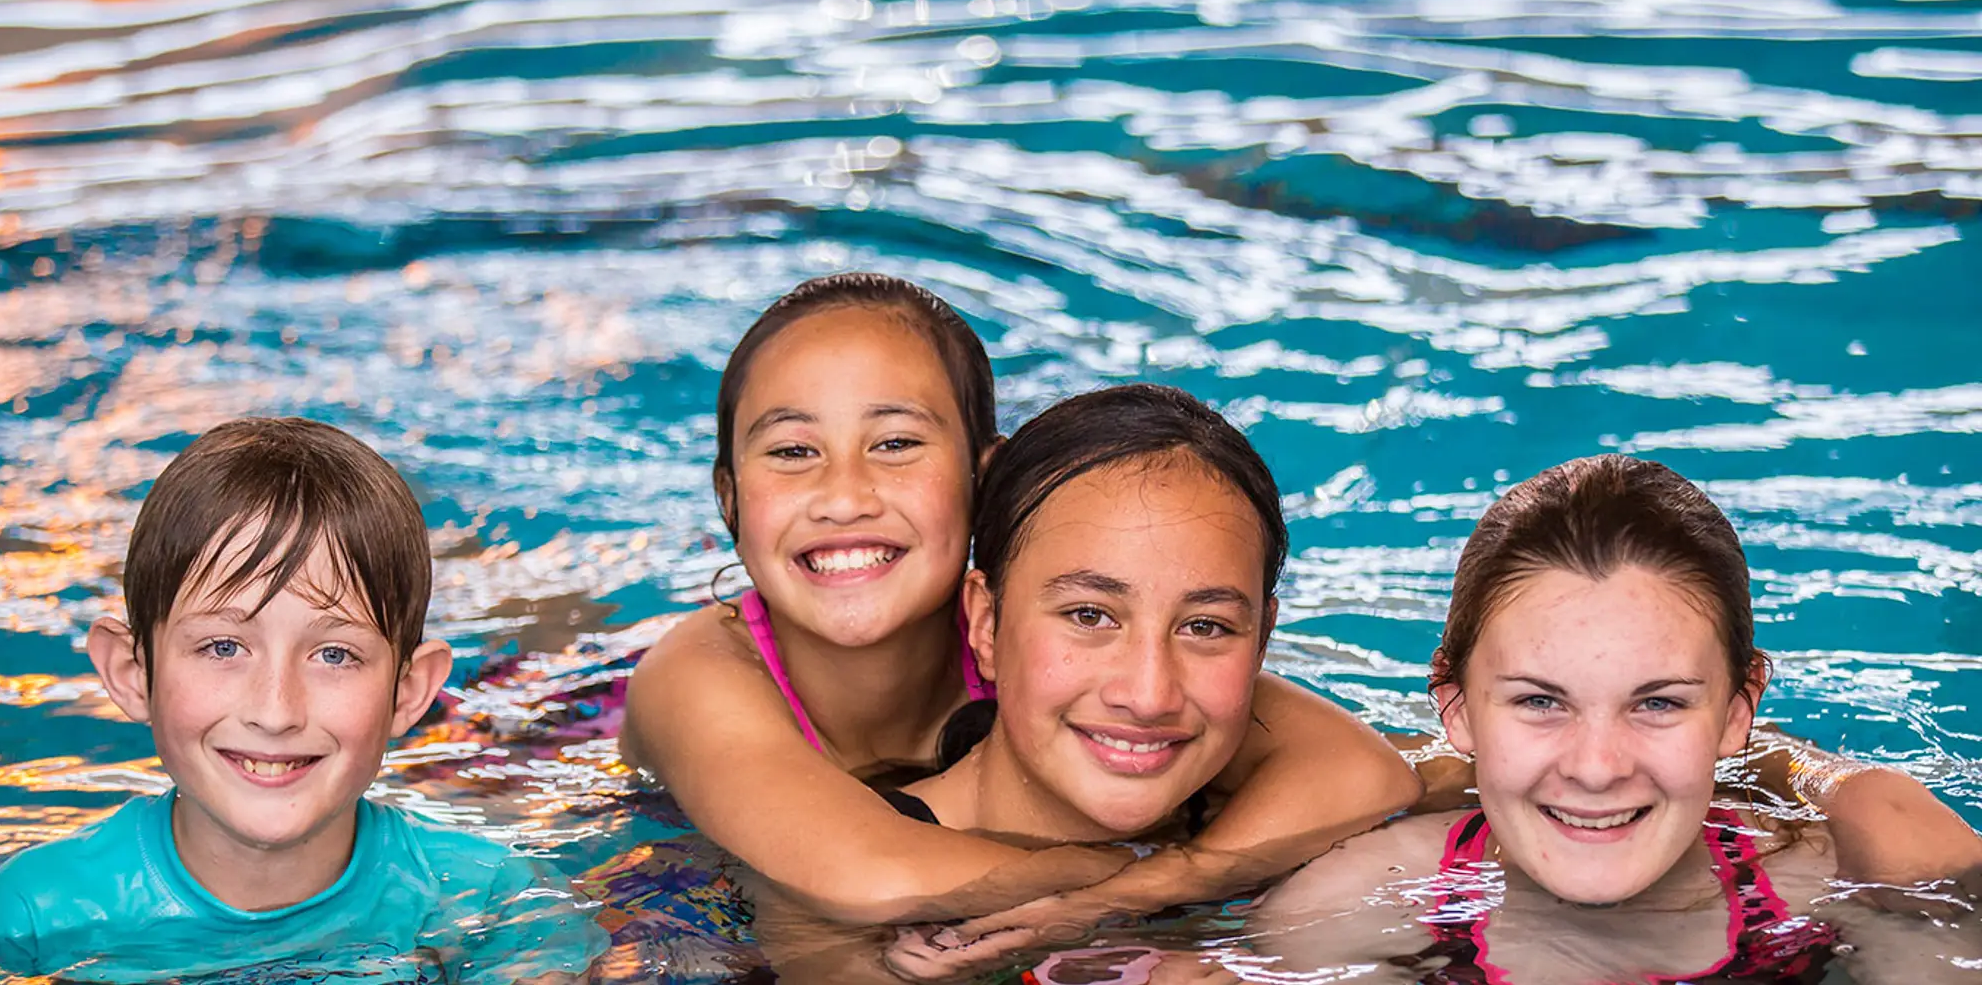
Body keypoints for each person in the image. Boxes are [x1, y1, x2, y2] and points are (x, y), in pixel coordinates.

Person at [620, 275, 1421, 931]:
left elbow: (1356, 766)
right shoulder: (699, 677)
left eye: (896, 443)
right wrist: (1132, 870)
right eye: (794, 452)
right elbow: (867, 874)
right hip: (556, 724)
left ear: (984, 474)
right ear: (728, 498)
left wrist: (1171, 874)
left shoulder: (1059, 635)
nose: (845, 496)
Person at [1233, 454, 1982, 983]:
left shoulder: (1850, 883)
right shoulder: (1351, 915)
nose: (1597, 768)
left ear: (1738, 709)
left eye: (1658, 703)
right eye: (1539, 702)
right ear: (1454, 706)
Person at [0, 418, 608, 985]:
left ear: (408, 692)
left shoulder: (495, 906)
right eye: (222, 646)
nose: (276, 711)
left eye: (334, 655)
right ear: (134, 673)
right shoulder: (41, 917)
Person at [745, 384, 1327, 983]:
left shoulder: (1274, 831)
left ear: (1262, 638)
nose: (1150, 695)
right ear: (987, 625)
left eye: (1205, 626)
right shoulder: (845, 908)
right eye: (1089, 616)